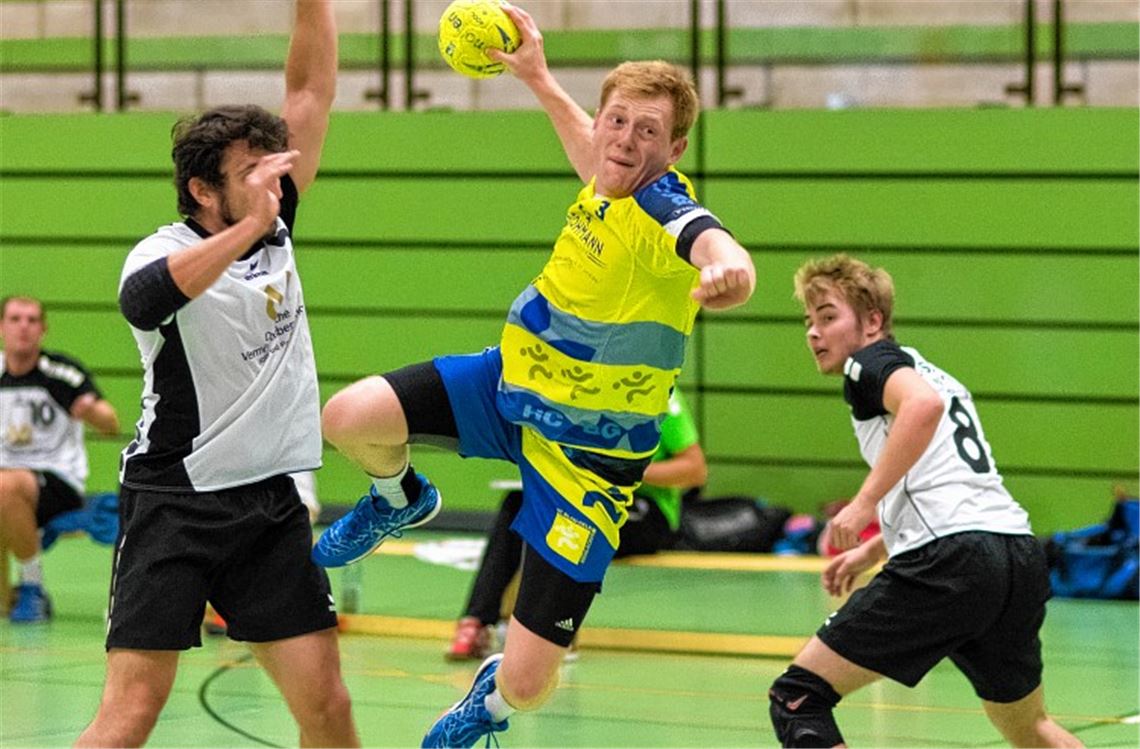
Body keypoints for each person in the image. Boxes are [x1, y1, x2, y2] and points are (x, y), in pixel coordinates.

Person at [310, 4, 755, 745]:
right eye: (617, 120)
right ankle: (400, 495)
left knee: (528, 679)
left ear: (675, 149)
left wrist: (730, 271)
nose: (623, 139)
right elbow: (590, 149)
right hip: (507, 390)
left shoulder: (661, 204)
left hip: (586, 464)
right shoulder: (608, 173)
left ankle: (491, 706)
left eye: (648, 132)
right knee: (347, 416)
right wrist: (539, 75)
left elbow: (712, 243)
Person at [74, 3, 360, 747]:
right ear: (204, 190)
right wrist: (247, 230)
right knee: (132, 710)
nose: (271, 184)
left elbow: (309, 93)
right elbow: (145, 298)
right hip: (174, 503)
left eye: (274, 171)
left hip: (269, 504)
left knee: (326, 705)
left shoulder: (274, 216)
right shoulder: (158, 251)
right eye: (249, 174)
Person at [768, 254, 1082, 748]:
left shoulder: (867, 364)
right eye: (808, 321)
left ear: (873, 322)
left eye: (828, 317)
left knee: (798, 697)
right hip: (1016, 554)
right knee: (1030, 727)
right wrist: (874, 550)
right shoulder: (934, 372)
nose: (813, 332)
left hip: (952, 562)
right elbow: (943, 476)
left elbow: (922, 408)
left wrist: (863, 503)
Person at [448, 388, 706, 661]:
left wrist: (625, 473)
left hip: (644, 511)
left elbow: (695, 469)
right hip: (584, 496)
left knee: (575, 522)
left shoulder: (659, 394)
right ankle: (476, 622)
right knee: (517, 504)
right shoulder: (579, 390)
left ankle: (554, 631)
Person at [0, 296, 120, 623]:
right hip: (8, 482)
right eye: (14, 319)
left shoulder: (60, 374)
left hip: (58, 484)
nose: (23, 327)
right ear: (1, 327)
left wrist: (92, 413)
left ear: (43, 329)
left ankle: (32, 588)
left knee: (5, 486)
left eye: (31, 320)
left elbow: (112, 424)